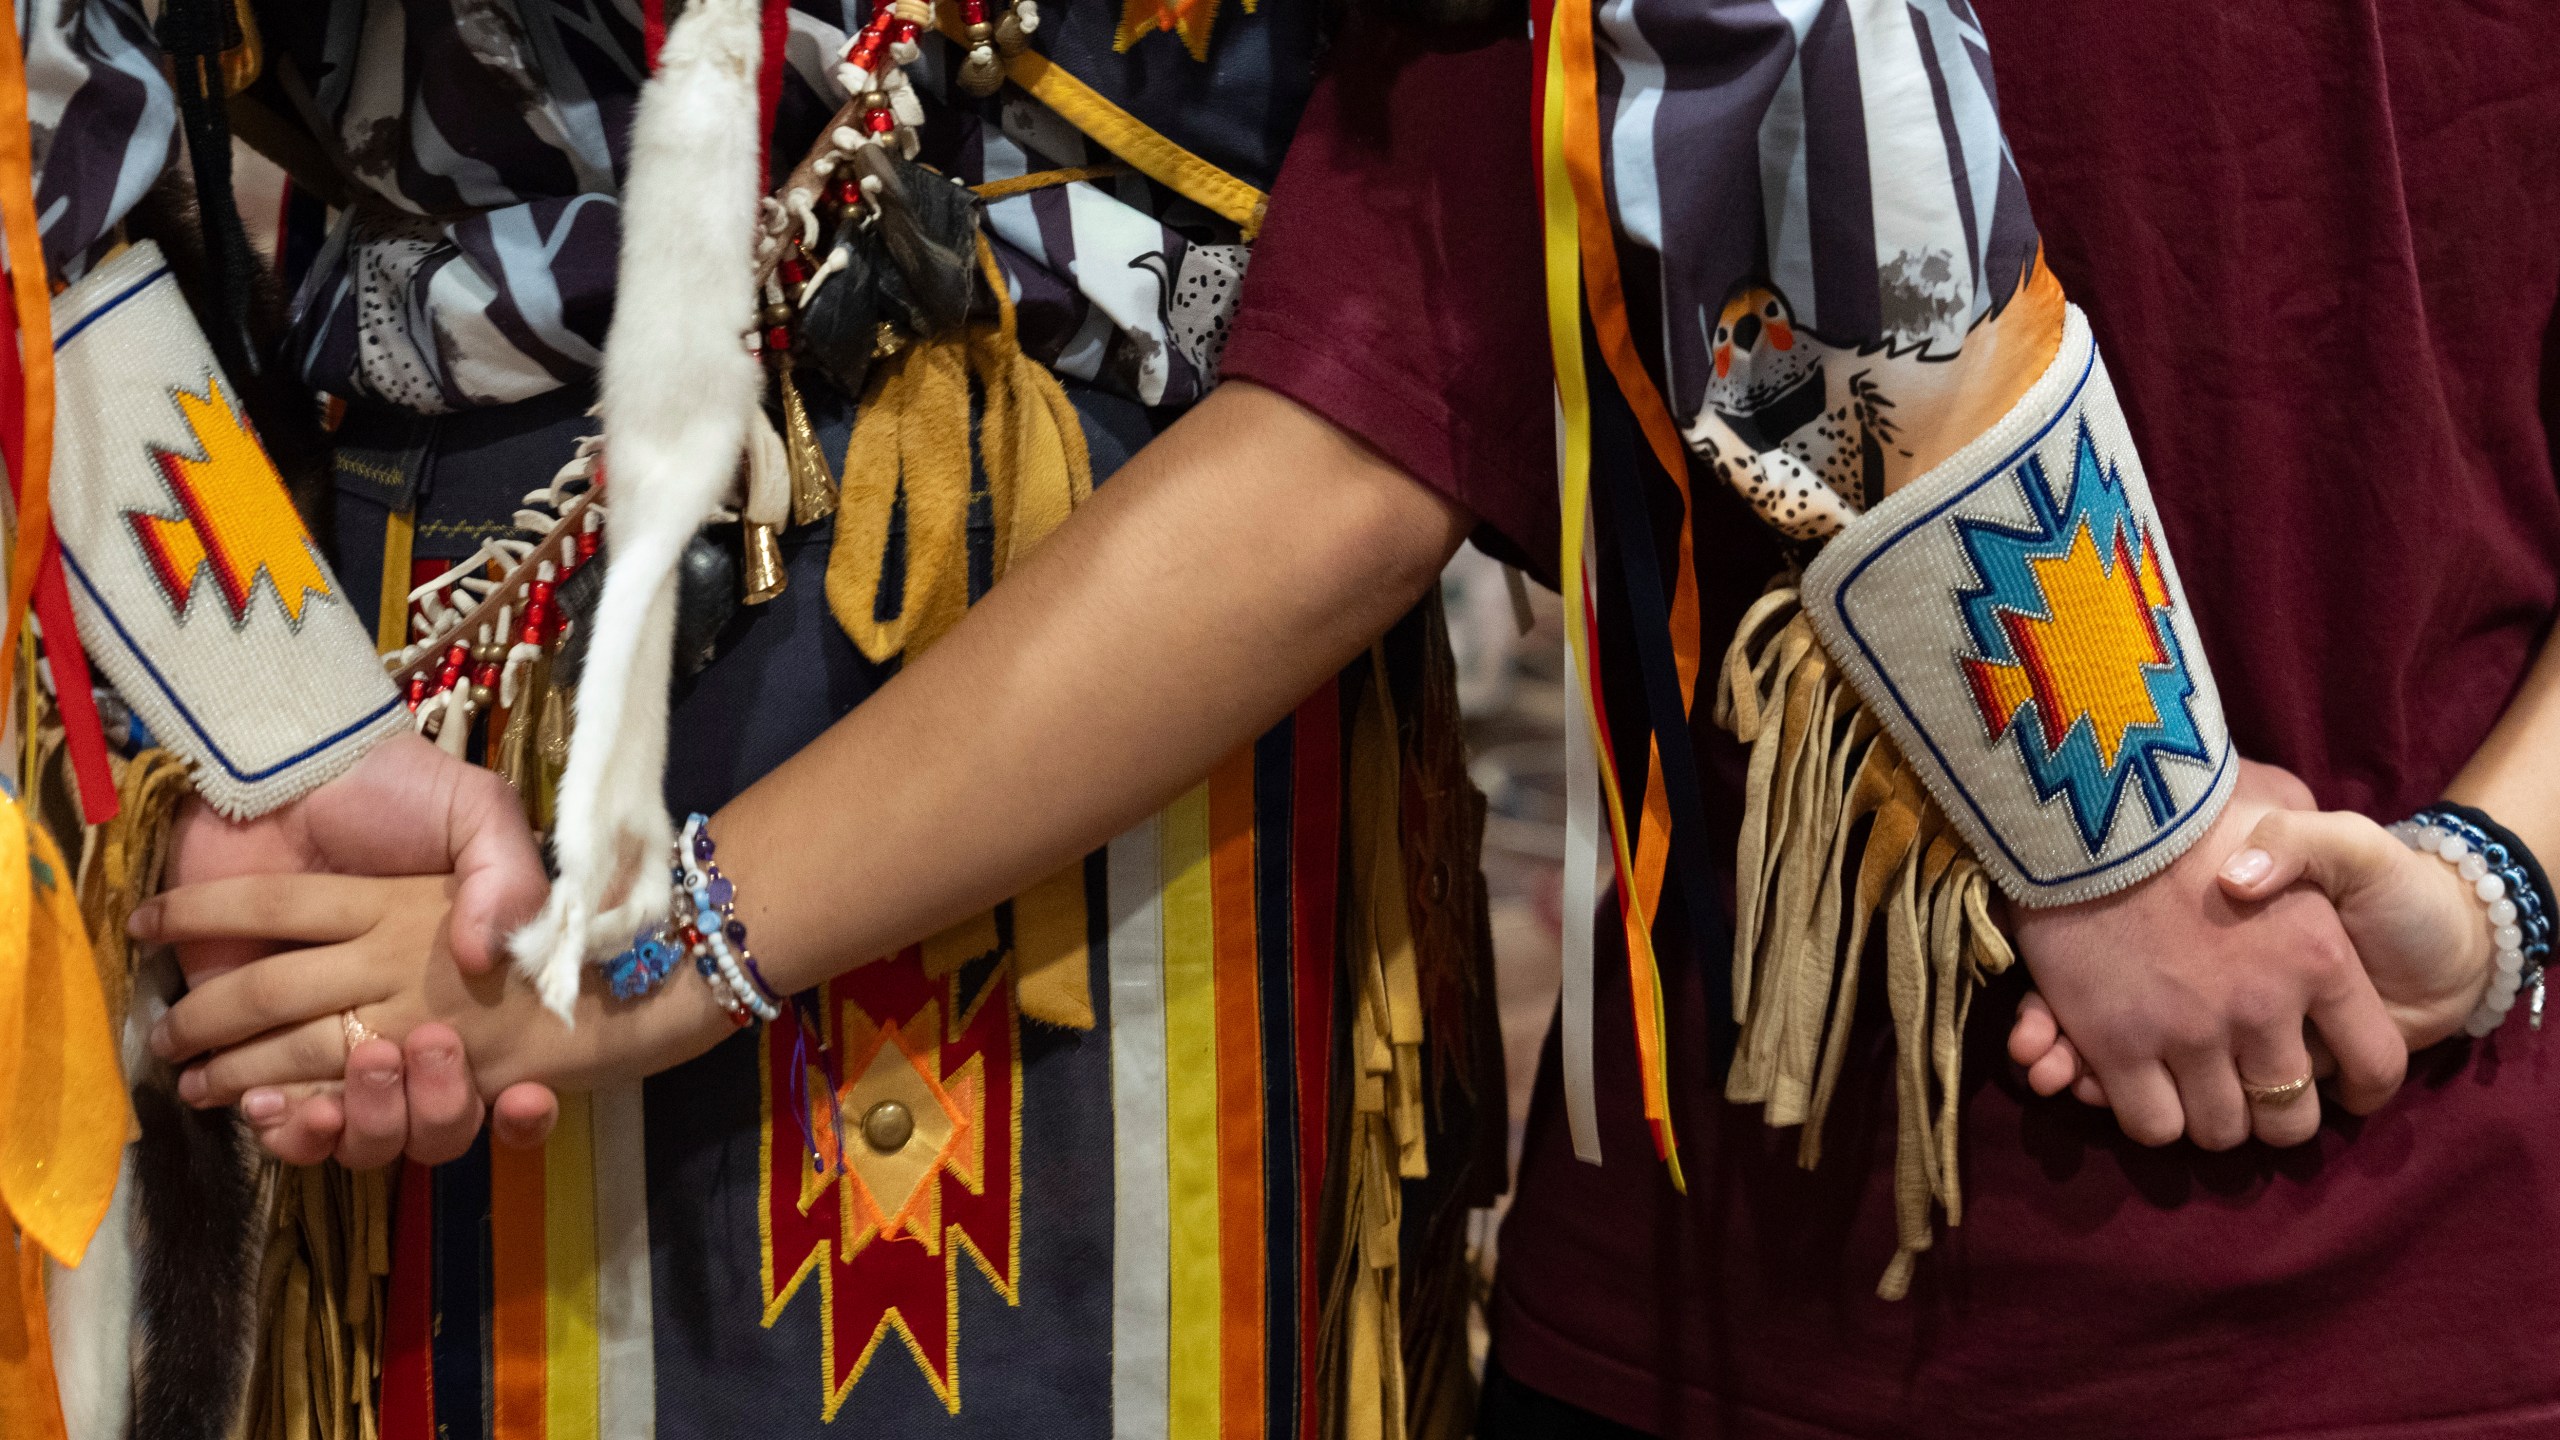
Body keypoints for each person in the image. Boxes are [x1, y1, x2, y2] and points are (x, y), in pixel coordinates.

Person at [146, 4, 2560, 1440]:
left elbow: (1417, 365)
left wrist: (2131, 831)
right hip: (434, 768)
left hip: (1153, 765)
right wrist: (254, 727)